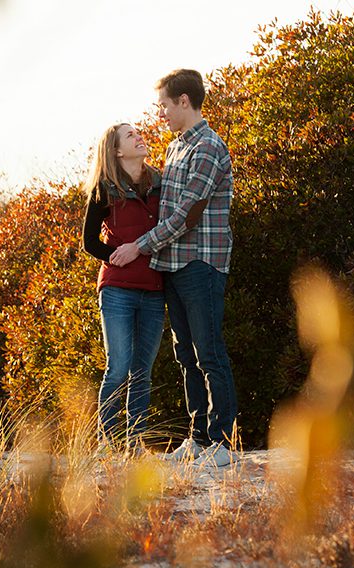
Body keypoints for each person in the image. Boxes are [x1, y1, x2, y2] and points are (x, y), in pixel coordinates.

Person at [111, 69, 237, 468]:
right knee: (186, 354)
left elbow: (186, 216)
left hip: (201, 263)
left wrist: (138, 247)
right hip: (174, 265)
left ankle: (223, 443)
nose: (161, 113)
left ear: (184, 102)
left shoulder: (208, 148)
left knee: (210, 352)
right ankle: (198, 437)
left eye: (165, 105)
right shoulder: (175, 148)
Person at [82, 123, 165, 453]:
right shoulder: (104, 189)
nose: (139, 136)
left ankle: (136, 443)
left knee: (142, 371)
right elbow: (89, 242)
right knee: (118, 367)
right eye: (130, 136)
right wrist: (117, 257)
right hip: (117, 289)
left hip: (155, 289)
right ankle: (108, 442)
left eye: (138, 132)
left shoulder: (160, 182)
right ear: (117, 151)